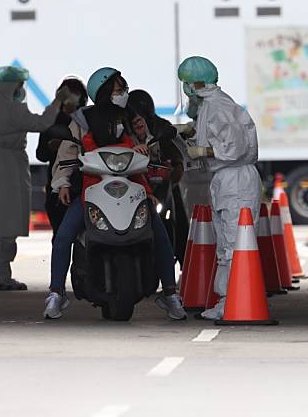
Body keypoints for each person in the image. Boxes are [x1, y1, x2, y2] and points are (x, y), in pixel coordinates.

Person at [44, 67, 187, 321]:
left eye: (124, 90)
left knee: (160, 232)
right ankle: (56, 293)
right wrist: (63, 183)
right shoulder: (81, 121)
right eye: (119, 90)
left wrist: (145, 142)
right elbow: (67, 152)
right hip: (91, 189)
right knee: (64, 235)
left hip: (134, 188)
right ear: (104, 92)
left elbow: (151, 148)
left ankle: (170, 293)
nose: (123, 94)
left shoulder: (132, 119)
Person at [0, 65, 71, 291]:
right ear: (13, 85)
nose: (22, 90)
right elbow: (42, 123)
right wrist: (57, 102)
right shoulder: (10, 109)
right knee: (1, 223)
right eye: (21, 85)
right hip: (4, 169)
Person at [177, 56, 262, 320]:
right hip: (227, 179)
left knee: (234, 242)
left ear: (196, 82)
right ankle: (229, 299)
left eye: (187, 83)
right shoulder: (211, 106)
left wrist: (202, 150)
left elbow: (233, 147)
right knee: (228, 242)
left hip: (234, 179)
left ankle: (233, 301)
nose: (186, 88)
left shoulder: (218, 108)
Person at [127, 90, 189, 265]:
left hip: (161, 185)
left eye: (140, 114)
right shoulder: (124, 130)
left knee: (179, 221)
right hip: (135, 185)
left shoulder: (162, 127)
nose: (137, 119)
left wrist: (170, 182)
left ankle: (182, 260)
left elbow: (177, 162)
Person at [36, 77, 88, 239]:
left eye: (73, 95)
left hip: (85, 182)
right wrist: (55, 148)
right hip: (57, 186)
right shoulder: (51, 121)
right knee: (60, 237)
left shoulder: (87, 120)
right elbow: (41, 154)